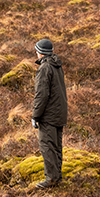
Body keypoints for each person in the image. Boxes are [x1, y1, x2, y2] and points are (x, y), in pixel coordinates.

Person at [29, 38, 68, 189]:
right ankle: (56, 178)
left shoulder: (44, 68)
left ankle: (51, 180)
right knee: (56, 146)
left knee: (47, 146)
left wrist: (35, 116)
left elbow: (42, 95)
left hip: (49, 115)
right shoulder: (57, 65)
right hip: (59, 113)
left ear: (40, 52)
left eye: (36, 50)